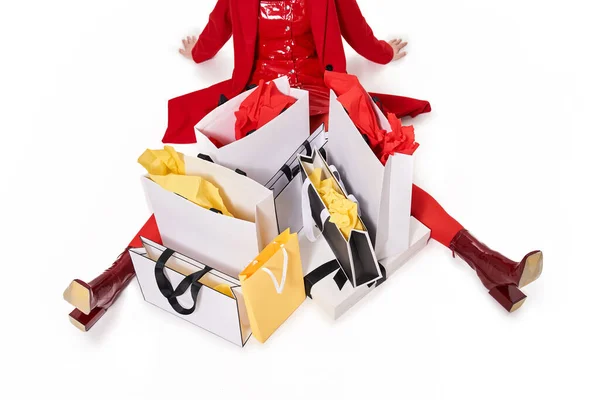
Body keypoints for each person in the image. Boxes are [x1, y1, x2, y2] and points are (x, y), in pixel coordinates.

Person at [63, 0, 542, 331]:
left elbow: (359, 35)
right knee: (208, 190)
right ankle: (108, 283)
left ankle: (488, 262)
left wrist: (384, 55)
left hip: (319, 97)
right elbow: (213, 38)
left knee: (383, 179)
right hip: (259, 105)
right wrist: (197, 53)